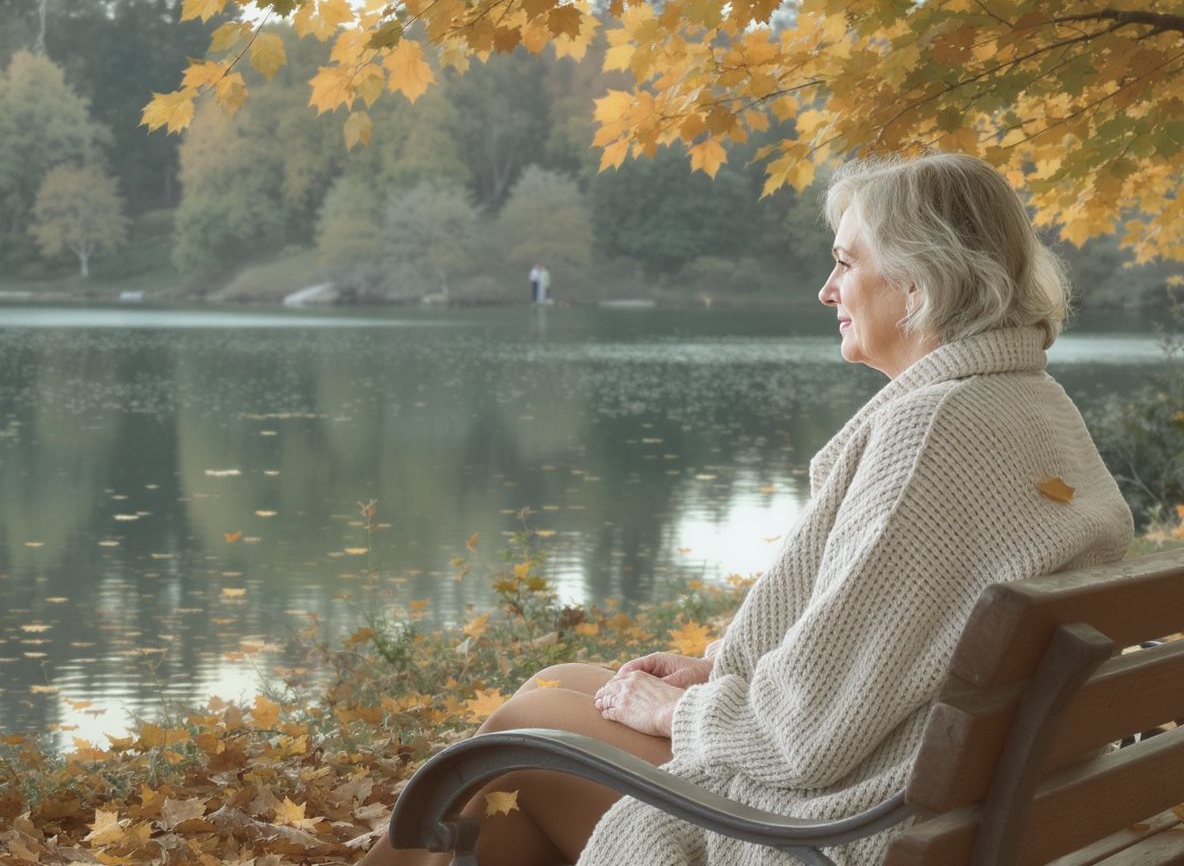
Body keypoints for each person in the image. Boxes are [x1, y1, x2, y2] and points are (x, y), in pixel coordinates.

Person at [359, 153, 1134, 866]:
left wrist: (679, 712)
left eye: (844, 261)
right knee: (557, 688)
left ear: (917, 284)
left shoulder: (931, 431)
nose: (827, 290)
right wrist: (710, 675)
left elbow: (805, 738)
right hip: (972, 804)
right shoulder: (1033, 404)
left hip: (846, 832)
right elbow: (897, 647)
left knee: (511, 741)